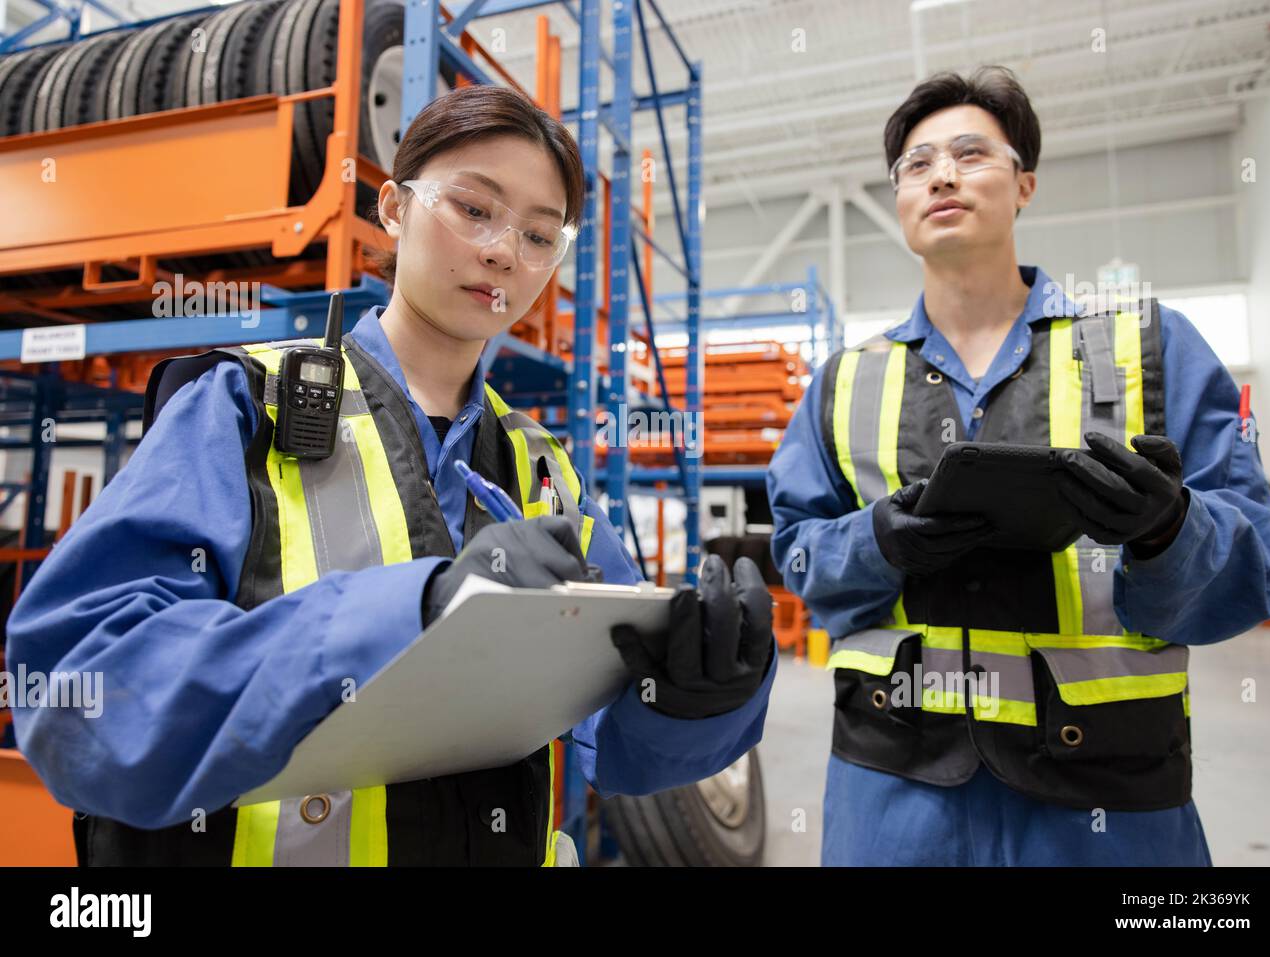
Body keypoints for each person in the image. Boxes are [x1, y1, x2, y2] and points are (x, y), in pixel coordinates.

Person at [5, 84, 776, 867]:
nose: (504, 251)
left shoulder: (544, 468)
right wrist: (411, 615)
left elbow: (607, 740)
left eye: (541, 235)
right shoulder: (244, 406)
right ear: (394, 208)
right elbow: (77, 689)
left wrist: (695, 697)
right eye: (474, 209)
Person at [767, 66, 1270, 866]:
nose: (941, 173)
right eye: (917, 164)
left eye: (971, 153)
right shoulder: (846, 381)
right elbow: (798, 551)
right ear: (900, 201)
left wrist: (1170, 531)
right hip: (894, 800)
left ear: (1024, 185)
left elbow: (1265, 552)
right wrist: (881, 540)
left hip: (1109, 809)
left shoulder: (1148, 350)